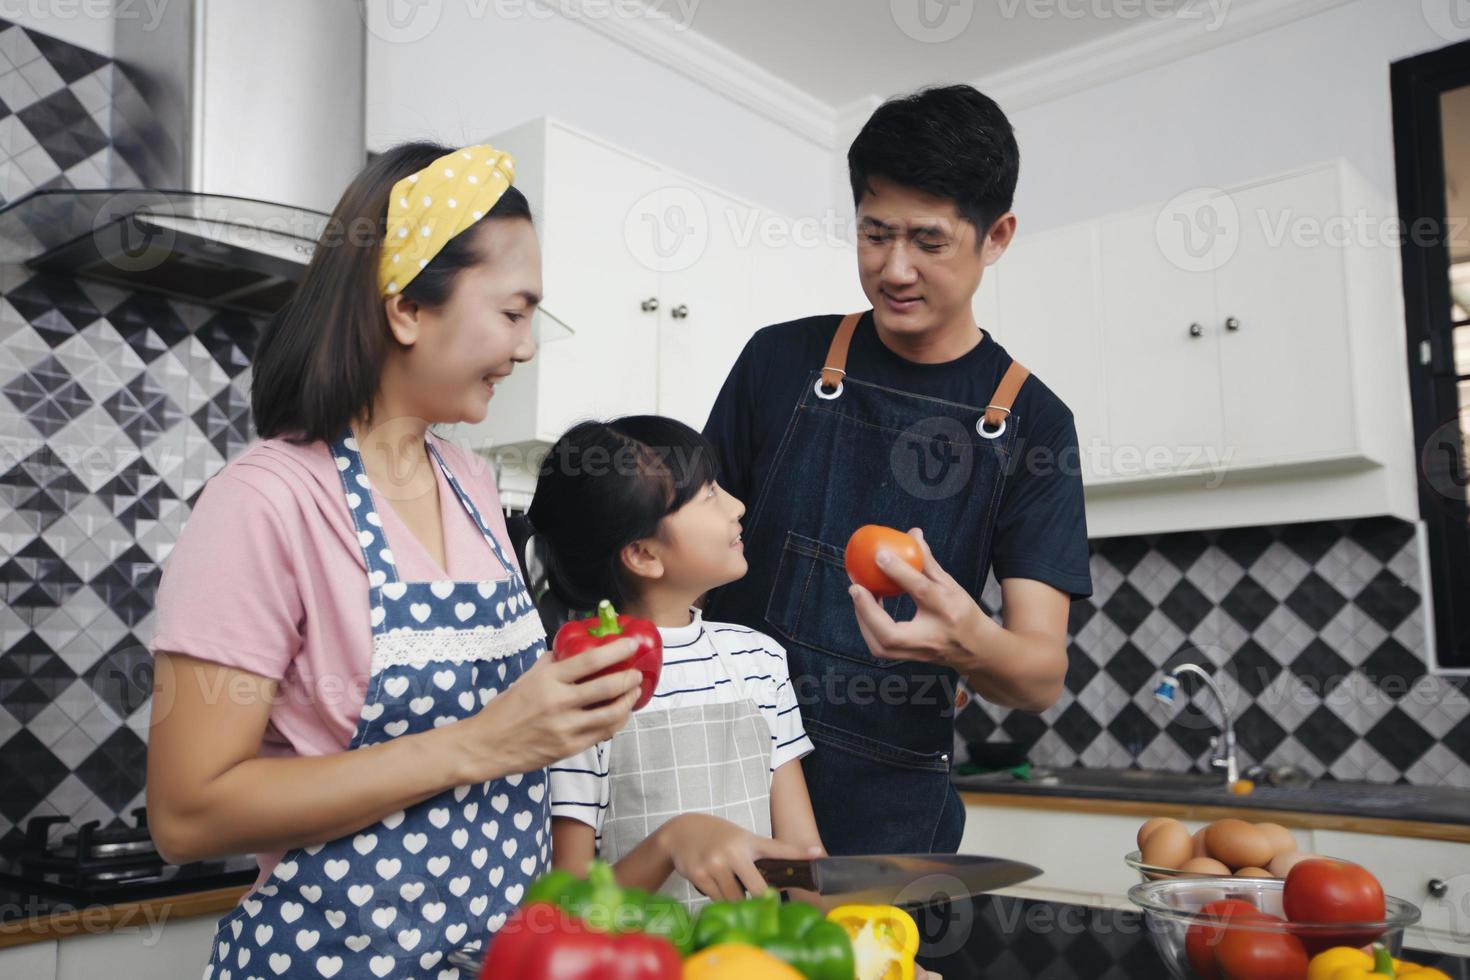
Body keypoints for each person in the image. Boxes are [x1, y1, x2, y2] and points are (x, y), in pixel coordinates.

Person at [146, 142, 643, 978]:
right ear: (408, 308)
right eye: (514, 313)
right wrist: (483, 743)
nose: (525, 347)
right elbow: (187, 813)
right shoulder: (267, 501)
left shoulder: (473, 483)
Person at [703, 85, 1094, 857]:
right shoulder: (778, 361)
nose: (895, 268)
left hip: (891, 830)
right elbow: (688, 560)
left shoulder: (1035, 426)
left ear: (998, 235)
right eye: (874, 234)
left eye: (929, 240)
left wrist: (966, 641)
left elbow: (1040, 675)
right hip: (723, 791)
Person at [530, 416, 828, 911]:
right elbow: (572, 909)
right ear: (644, 554)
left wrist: (875, 952)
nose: (738, 506)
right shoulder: (581, 684)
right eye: (709, 494)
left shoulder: (759, 659)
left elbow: (801, 866)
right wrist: (671, 843)